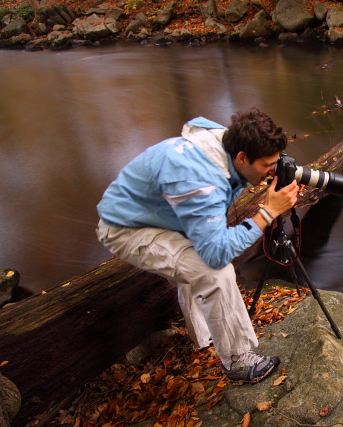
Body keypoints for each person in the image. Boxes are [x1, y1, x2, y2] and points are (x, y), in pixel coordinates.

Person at [96, 108, 298, 383]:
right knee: (214, 272)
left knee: (199, 255)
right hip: (128, 228)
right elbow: (215, 255)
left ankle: (204, 336)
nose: (271, 170)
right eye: (266, 165)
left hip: (161, 210)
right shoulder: (198, 180)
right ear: (242, 157)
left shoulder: (225, 141)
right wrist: (267, 212)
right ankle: (237, 361)